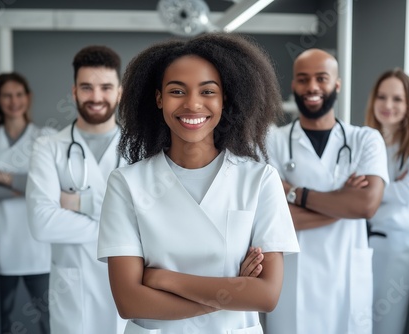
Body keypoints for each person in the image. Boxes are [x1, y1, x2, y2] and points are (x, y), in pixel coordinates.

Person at [96, 32, 299, 334]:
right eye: (177, 91)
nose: (193, 104)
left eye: (207, 92)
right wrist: (232, 291)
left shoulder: (259, 180)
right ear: (159, 98)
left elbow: (267, 296)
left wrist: (165, 280)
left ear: (224, 98)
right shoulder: (127, 183)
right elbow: (129, 301)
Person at [264, 48, 389, 334]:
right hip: (295, 276)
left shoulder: (365, 139)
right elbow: (274, 218)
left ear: (337, 84)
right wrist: (343, 203)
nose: (312, 87)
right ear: (293, 85)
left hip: (346, 273)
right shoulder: (273, 141)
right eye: (303, 79)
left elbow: (366, 207)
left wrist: (293, 192)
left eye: (321, 78)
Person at [26, 45, 127, 334]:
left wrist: (76, 202)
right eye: (87, 87)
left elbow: (152, 217)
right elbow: (42, 224)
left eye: (106, 87)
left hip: (129, 288)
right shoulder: (48, 147)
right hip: (74, 291)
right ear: (74, 92)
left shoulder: (140, 149)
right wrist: (120, 224)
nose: (96, 97)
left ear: (119, 92)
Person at [0, 72, 53, 334]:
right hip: (1, 246)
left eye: (18, 94)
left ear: (28, 98)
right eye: (7, 95)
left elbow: (52, 186)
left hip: (39, 248)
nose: (13, 101)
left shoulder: (45, 137)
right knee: (1, 319)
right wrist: (24, 186)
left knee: (49, 318)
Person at [364, 68, 409, 334]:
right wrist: (388, 187)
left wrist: (368, 188)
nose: (388, 105)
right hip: (360, 242)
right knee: (356, 321)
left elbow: (405, 194)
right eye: (382, 97)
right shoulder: (365, 141)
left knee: (386, 325)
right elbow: (348, 189)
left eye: (397, 99)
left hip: (394, 248)